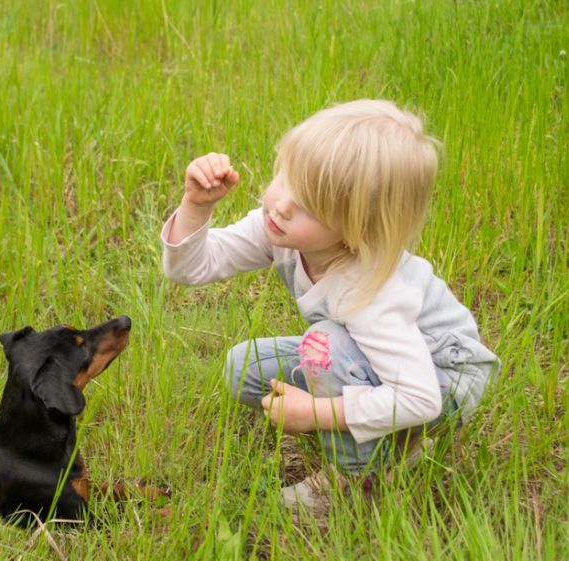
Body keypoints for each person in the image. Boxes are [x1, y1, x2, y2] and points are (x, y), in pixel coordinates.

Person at [160, 99, 499, 513]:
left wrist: (316, 413)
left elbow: (420, 398)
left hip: (444, 376)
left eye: (311, 206)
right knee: (244, 367)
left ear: (357, 230)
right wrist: (197, 205)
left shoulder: (370, 289)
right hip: (377, 359)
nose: (282, 204)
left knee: (322, 344)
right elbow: (192, 268)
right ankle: (395, 443)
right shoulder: (282, 229)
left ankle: (355, 481)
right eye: (287, 179)